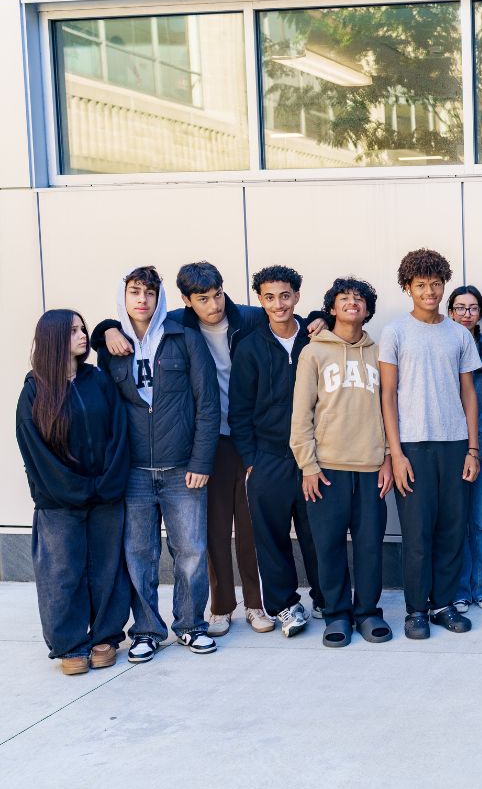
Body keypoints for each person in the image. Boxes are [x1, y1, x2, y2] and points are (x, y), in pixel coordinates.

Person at [95, 261, 325, 636]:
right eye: (203, 299)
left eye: (217, 294)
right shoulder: (176, 326)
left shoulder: (248, 318)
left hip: (251, 438)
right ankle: (220, 607)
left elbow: (290, 317)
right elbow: (129, 326)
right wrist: (104, 331)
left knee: (250, 527)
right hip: (207, 440)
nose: (214, 305)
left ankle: (256, 604)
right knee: (214, 530)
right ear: (187, 300)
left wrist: (319, 317)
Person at [94, 266, 221, 662]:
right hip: (132, 471)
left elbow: (208, 404)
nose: (142, 299)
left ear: (160, 297)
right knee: (139, 554)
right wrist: (105, 331)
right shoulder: (110, 347)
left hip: (182, 468)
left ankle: (190, 625)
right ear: (124, 296)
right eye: (135, 292)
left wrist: (201, 460)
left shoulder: (184, 337)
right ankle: (147, 630)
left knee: (191, 551)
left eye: (150, 292)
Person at [16, 310, 129, 675]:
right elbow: (36, 455)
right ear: (53, 339)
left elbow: (118, 432)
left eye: (83, 329)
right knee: (62, 573)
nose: (83, 336)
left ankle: (105, 637)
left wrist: (106, 483)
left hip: (106, 497)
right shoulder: (34, 391)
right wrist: (77, 488)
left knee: (107, 569)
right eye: (74, 331)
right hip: (60, 502)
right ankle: (69, 644)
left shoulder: (97, 380)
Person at [380, 249, 481, 640]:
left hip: (455, 444)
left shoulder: (458, 333)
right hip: (413, 447)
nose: (429, 291)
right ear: (408, 288)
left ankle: (443, 604)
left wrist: (473, 449)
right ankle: (415, 610)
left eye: (436, 284)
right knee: (417, 533)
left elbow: (468, 393)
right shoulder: (395, 332)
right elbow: (387, 395)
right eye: (420, 285)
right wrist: (396, 453)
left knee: (452, 530)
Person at [291, 277, 394, 648]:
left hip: (370, 468)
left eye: (360, 299)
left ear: (368, 310)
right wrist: (308, 465)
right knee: (329, 546)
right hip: (327, 468)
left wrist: (386, 459)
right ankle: (336, 615)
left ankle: (366, 612)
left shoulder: (379, 352)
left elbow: (387, 411)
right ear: (332, 308)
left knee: (369, 546)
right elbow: (301, 414)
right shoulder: (313, 352)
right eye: (344, 298)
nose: (353, 302)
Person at [228, 265, 327, 638]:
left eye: (285, 295)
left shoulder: (317, 339)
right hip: (268, 457)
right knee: (271, 538)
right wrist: (251, 460)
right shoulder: (251, 346)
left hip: (314, 456)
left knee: (318, 531)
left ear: (297, 296)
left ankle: (325, 598)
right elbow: (238, 410)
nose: (278, 304)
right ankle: (285, 606)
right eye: (269, 297)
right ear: (260, 300)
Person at [447, 285, 482, 613]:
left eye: (473, 308)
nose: (466, 314)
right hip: (449, 445)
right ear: (451, 311)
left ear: (480, 313)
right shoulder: (443, 342)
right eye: (460, 308)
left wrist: (476, 447)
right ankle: (459, 588)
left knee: (480, 518)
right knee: (455, 519)